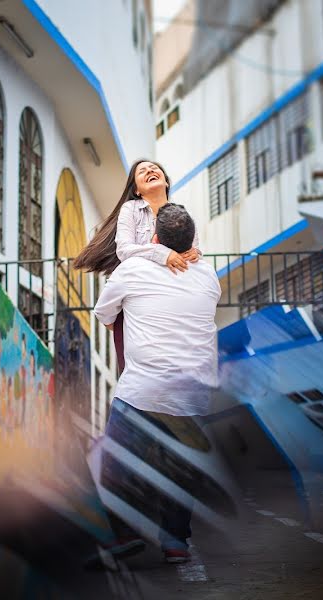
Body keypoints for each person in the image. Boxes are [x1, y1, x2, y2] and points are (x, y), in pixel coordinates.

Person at [92, 203, 221, 564]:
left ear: (155, 239)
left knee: (118, 462)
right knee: (183, 467)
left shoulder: (133, 268)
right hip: (194, 392)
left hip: (142, 388)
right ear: (191, 241)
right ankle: (176, 541)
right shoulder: (209, 275)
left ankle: (122, 535)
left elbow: (104, 314)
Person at [73, 159, 201, 372]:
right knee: (135, 372)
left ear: (166, 183)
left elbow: (192, 253)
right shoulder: (131, 209)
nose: (150, 170)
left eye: (154, 168)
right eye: (142, 171)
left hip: (170, 302)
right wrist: (162, 253)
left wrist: (196, 253)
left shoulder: (181, 215)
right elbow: (124, 249)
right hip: (135, 299)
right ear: (137, 190)